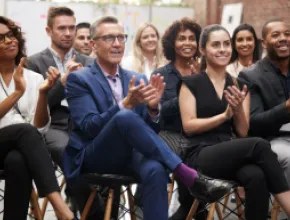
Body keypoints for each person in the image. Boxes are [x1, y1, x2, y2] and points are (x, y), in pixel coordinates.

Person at [62, 16, 231, 220]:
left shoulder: (138, 78)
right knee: (124, 116)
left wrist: (153, 109)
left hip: (132, 154)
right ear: (93, 44)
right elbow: (89, 127)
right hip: (96, 155)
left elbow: (149, 131)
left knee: (156, 169)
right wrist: (126, 104)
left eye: (121, 37)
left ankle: (183, 175)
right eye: (109, 38)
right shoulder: (79, 79)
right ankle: (187, 174)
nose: (117, 44)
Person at [178, 24, 290, 220]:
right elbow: (189, 126)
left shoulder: (240, 85)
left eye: (226, 44)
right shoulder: (191, 83)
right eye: (216, 45)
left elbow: (243, 131)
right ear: (203, 49)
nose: (223, 49)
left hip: (230, 150)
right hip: (200, 154)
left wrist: (237, 111)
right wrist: (223, 116)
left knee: (256, 176)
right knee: (260, 144)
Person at [0, 15, 74, 220]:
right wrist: (17, 93)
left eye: (11, 35)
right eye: (1, 38)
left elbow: (40, 128)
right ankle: (59, 206)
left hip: (20, 149)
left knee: (18, 161)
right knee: (24, 130)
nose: (9, 40)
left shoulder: (33, 77)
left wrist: (43, 94)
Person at [152, 17, 206, 220]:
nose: (188, 43)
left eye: (192, 38)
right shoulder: (161, 74)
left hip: (200, 131)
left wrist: (200, 81)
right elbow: (161, 112)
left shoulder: (206, 71)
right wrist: (189, 87)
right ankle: (196, 211)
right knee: (189, 155)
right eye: (181, 38)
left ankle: (192, 210)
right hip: (171, 134)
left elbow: (212, 107)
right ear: (172, 44)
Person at [26, 6, 94, 166]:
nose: (68, 33)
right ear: (49, 31)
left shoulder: (89, 62)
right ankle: (82, 191)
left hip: (86, 125)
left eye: (72, 28)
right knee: (69, 151)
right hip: (53, 126)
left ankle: (95, 191)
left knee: (107, 149)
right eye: (62, 28)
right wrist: (63, 84)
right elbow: (34, 108)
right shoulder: (34, 62)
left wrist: (87, 84)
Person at [239, 18, 290, 188]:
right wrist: (286, 108)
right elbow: (254, 122)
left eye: (287, 34)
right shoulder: (250, 76)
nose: (283, 38)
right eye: (275, 35)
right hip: (273, 140)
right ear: (264, 43)